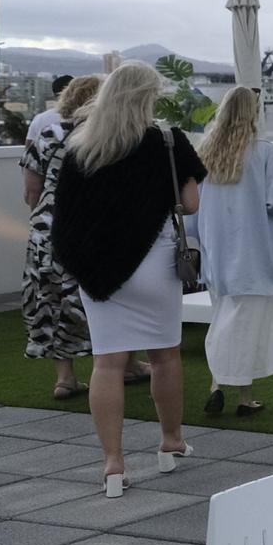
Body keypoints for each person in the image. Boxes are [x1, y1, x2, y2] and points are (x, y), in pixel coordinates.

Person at [51, 62, 201, 497]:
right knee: (165, 357)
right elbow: (190, 203)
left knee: (107, 363)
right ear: (148, 96)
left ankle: (113, 465)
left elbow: (65, 218)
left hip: (98, 269)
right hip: (153, 263)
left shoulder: (81, 145)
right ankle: (170, 441)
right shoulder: (167, 142)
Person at [195, 87, 273, 416]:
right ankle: (226, 388)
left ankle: (230, 389)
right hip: (252, 253)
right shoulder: (264, 152)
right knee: (247, 326)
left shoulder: (206, 152)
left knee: (225, 318)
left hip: (217, 251)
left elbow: (196, 208)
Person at [20, 74, 102, 399]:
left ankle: (64, 378)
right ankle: (111, 370)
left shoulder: (48, 134)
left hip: (48, 225)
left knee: (50, 297)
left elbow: (31, 191)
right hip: (92, 225)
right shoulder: (106, 139)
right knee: (96, 296)